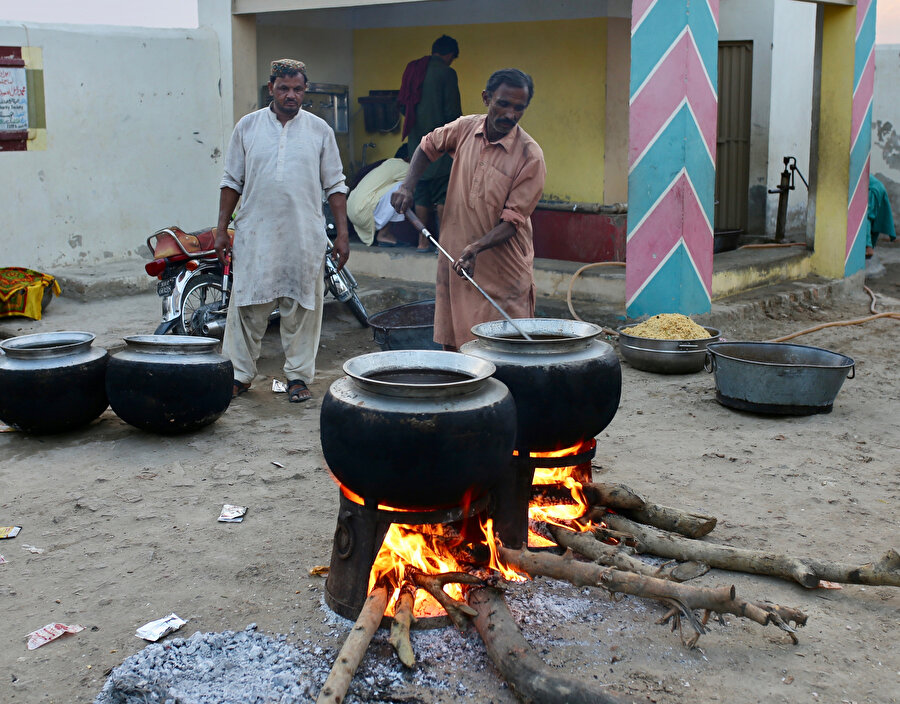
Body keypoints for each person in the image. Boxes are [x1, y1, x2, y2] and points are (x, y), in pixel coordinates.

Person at [214, 59, 350, 403]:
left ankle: (298, 378)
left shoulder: (320, 131)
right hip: (255, 233)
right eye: (284, 88)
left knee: (303, 308)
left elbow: (335, 186)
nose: (291, 95)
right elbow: (231, 181)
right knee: (247, 305)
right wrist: (220, 230)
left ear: (305, 90)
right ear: (271, 88)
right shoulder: (247, 127)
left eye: (298, 89)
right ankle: (240, 375)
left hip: (304, 235)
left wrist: (343, 235)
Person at [391, 68, 546, 351]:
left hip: (503, 271)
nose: (510, 114)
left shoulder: (530, 155)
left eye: (518, 108)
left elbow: (513, 221)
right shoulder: (464, 128)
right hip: (456, 260)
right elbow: (427, 146)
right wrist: (407, 186)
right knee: (456, 345)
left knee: (505, 351)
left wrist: (476, 247)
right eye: (503, 103)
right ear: (486, 98)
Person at [397, 35, 462, 251]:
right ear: (450, 55)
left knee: (422, 192)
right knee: (442, 193)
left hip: (417, 142)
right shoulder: (447, 73)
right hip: (442, 143)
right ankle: (444, 243)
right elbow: (453, 113)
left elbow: (403, 104)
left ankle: (422, 242)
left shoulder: (413, 69)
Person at [865, 175, 896, 259]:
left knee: (866, 217)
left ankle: (868, 247)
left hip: (872, 189)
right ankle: (869, 247)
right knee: (875, 221)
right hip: (878, 188)